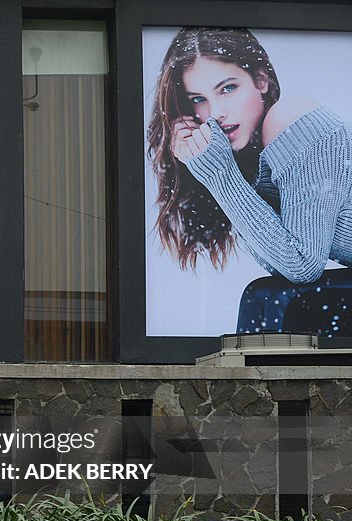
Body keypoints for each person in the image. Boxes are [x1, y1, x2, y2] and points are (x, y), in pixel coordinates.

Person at [148, 27, 352, 334]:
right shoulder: (250, 160)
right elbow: (279, 263)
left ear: (261, 80)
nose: (215, 113)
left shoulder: (291, 118)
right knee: (265, 296)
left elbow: (300, 265)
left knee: (269, 297)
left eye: (228, 88)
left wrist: (219, 175)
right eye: (199, 99)